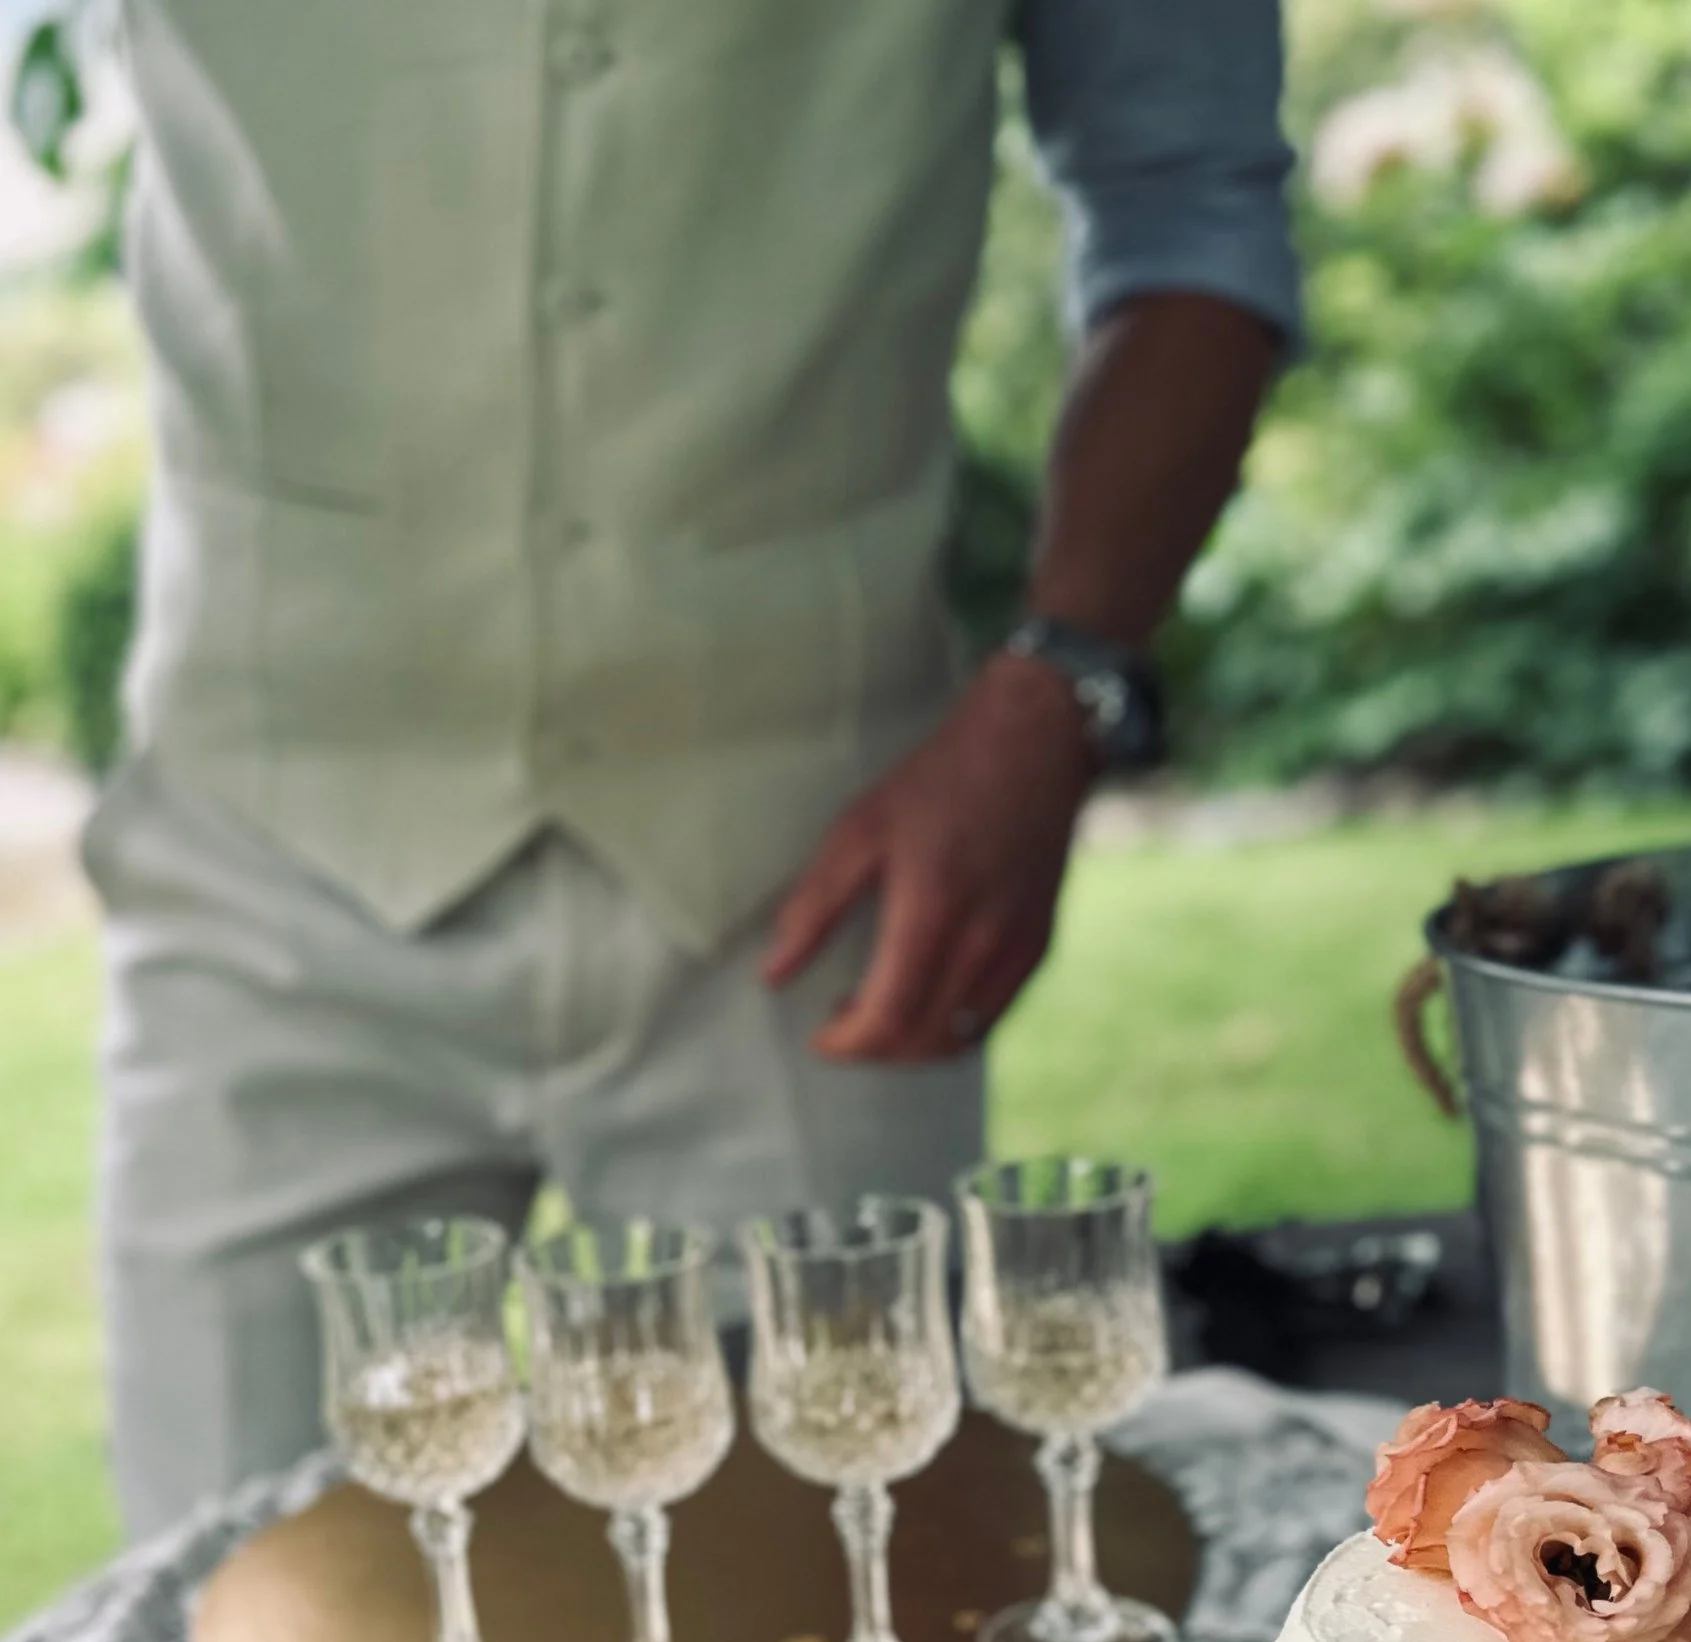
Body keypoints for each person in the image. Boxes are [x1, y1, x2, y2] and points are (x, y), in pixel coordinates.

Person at [87, 0, 1298, 1536]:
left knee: (843, 1602)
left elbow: (1188, 200)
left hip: (821, 893)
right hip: (268, 869)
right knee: (234, 1619)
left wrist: (1058, 691)